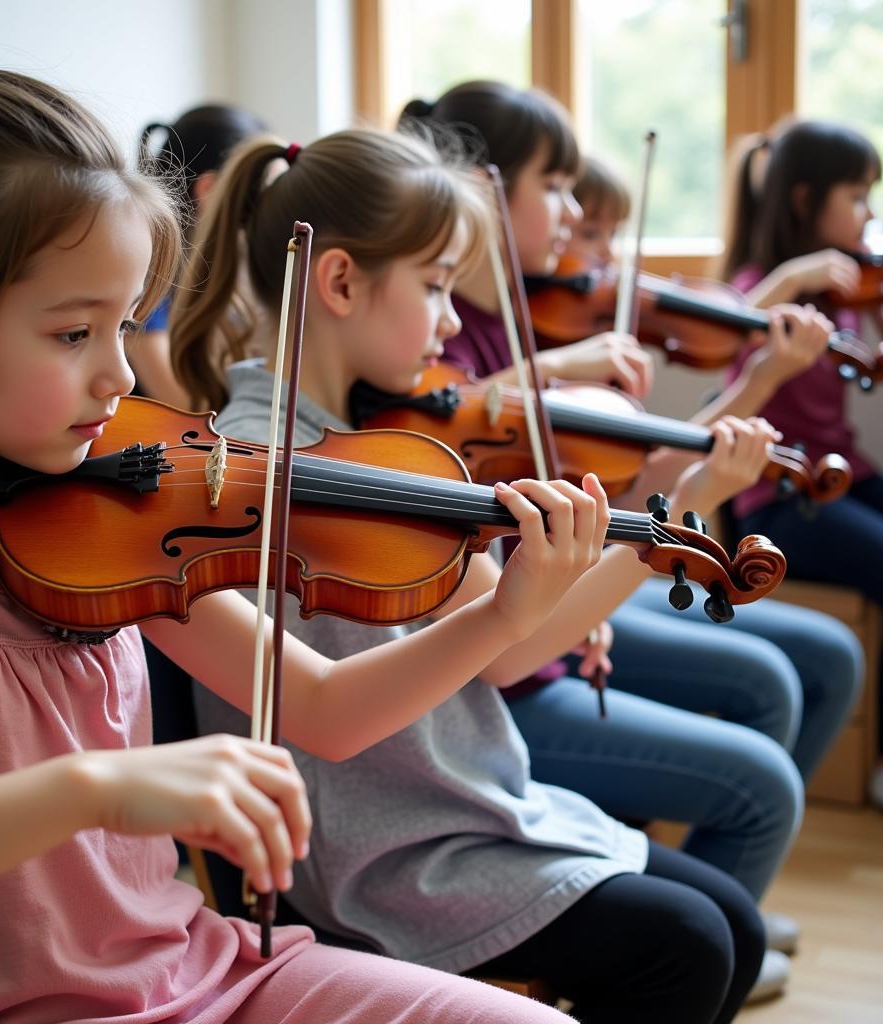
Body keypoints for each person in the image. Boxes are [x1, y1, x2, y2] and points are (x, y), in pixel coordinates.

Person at [0, 52, 611, 1024]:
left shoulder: (100, 518)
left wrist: (504, 612)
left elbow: (325, 707)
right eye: (72, 333)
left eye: (127, 324)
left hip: (204, 966)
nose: (122, 378)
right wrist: (92, 789)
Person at [178, 125, 773, 1024]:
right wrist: (658, 520)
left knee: (733, 928)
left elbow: (509, 645)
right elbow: (462, 662)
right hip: (370, 850)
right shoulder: (258, 466)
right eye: (435, 286)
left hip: (458, 800)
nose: (454, 322)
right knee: (688, 946)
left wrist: (669, 506)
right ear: (339, 282)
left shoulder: (390, 448)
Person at [404, 80, 863, 993]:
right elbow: (473, 451)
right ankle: (684, 933)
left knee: (793, 673)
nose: (580, 232)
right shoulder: (451, 359)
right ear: (485, 188)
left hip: (546, 627)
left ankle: (705, 908)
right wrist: (554, 378)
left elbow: (627, 481)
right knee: (767, 721)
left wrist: (748, 399)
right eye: (559, 191)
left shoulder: (510, 324)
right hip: (512, 670)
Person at [719, 117, 883, 803]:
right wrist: (790, 278)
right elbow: (724, 338)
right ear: (804, 198)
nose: (869, 212)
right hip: (780, 498)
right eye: (857, 195)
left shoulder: (849, 292)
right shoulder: (764, 287)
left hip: (844, 475)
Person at [133, 103, 269, 408]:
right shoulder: (146, 272)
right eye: (262, 193)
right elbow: (190, 405)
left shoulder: (214, 267)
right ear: (209, 190)